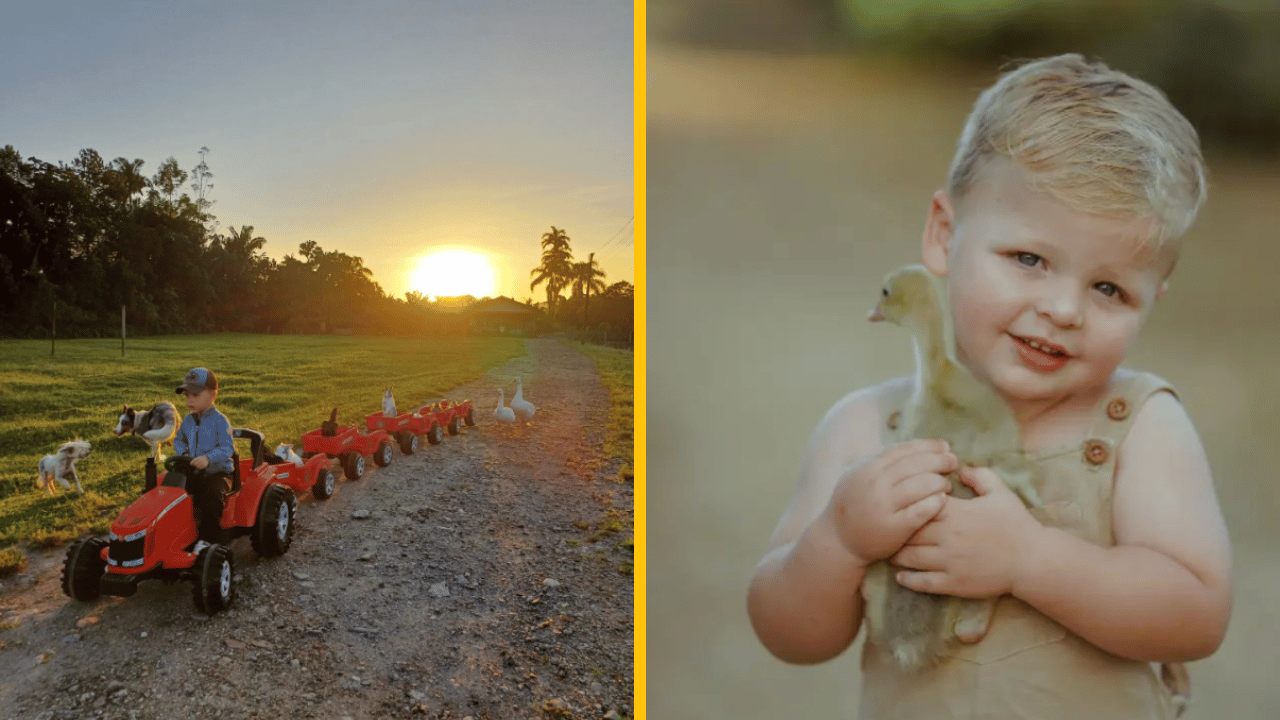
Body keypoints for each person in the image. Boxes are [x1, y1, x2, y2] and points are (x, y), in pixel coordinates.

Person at [745, 54, 1232, 719]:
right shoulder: (868, 429)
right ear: (945, 236)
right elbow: (788, 635)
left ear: (1153, 300)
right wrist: (839, 539)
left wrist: (1028, 559)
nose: (1064, 310)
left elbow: (1197, 615)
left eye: (1109, 288)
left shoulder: (1138, 426)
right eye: (1029, 259)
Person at [172, 367, 236, 546]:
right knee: (169, 491)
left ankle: (208, 542)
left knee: (211, 499)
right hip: (193, 471)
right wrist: (183, 453)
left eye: (195, 395)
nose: (189, 400)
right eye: (187, 396)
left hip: (217, 473)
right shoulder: (187, 420)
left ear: (212, 394)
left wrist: (208, 458)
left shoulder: (220, 420)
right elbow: (179, 440)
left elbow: (227, 447)